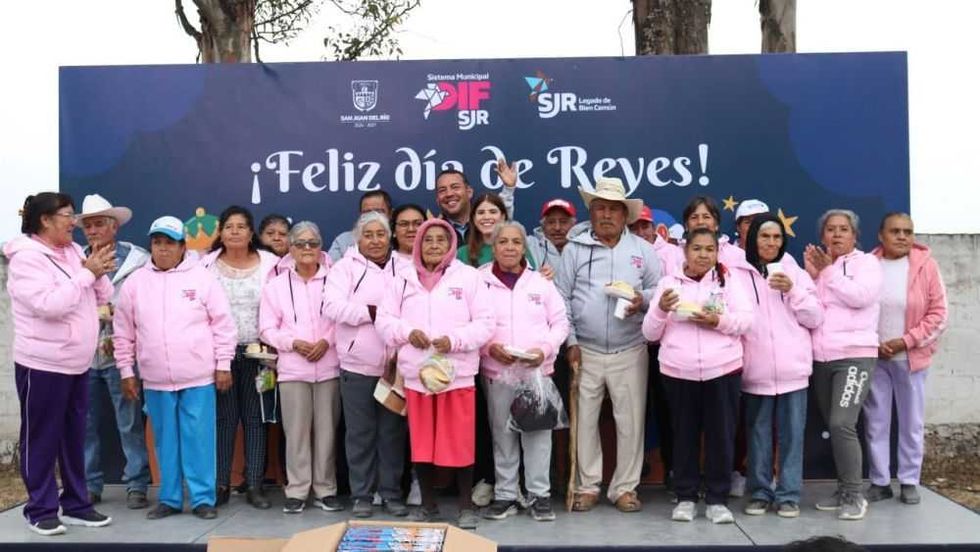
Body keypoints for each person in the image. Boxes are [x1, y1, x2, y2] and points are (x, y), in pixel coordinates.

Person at [5, 193, 114, 535]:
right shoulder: (27, 259)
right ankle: (39, 508)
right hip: (42, 364)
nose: (75, 222)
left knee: (73, 437)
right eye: (68, 215)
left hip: (76, 363)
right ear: (45, 221)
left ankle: (77, 505)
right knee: (41, 437)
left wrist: (95, 269)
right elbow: (49, 305)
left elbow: (104, 296)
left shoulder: (71, 252)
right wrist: (85, 275)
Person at [113, 216, 236, 521]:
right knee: (165, 442)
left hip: (197, 376)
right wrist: (127, 371)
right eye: (157, 242)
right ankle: (168, 498)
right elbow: (123, 331)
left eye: (170, 243)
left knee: (199, 439)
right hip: (156, 379)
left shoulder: (203, 278)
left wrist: (223, 365)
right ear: (151, 246)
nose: (163, 249)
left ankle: (202, 499)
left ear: (183, 246)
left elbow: (223, 324)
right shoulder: (136, 282)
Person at [376, 219, 494, 530]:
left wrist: (453, 341)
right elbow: (384, 321)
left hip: (456, 374)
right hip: (418, 376)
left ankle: (465, 506)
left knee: (459, 442)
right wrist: (406, 332)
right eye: (428, 240)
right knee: (422, 443)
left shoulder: (468, 277)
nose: (434, 246)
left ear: (452, 245)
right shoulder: (401, 280)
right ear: (417, 245)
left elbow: (485, 323)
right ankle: (428, 505)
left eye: (442, 240)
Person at [556, 177, 661, 514]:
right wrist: (570, 341)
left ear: (624, 215)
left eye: (613, 209)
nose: (606, 215)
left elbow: (659, 294)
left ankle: (625, 488)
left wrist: (639, 301)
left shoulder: (643, 251)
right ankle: (587, 487)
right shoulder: (575, 249)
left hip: (630, 347)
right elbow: (561, 298)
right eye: (599, 208)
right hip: (584, 348)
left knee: (630, 422)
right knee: (584, 420)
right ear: (591, 211)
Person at [642, 227, 753, 524]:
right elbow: (649, 333)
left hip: (722, 369)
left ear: (717, 252)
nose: (703, 255)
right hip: (678, 372)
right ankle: (686, 497)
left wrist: (718, 320)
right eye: (697, 249)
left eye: (709, 249)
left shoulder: (729, 280)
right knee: (683, 437)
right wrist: (661, 310)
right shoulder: (668, 283)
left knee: (721, 436)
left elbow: (745, 320)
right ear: (685, 251)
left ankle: (717, 500)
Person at [479, 221, 569, 523]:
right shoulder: (479, 281)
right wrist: (489, 347)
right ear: (494, 246)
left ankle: (538, 495)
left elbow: (560, 323)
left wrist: (543, 350)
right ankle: (506, 494)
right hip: (497, 369)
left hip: (535, 371)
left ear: (523, 248)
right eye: (503, 242)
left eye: (516, 242)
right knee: (502, 433)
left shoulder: (540, 283)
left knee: (537, 435)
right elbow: (471, 320)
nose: (509, 247)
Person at [734, 214, 822, 519]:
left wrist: (792, 291)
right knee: (757, 435)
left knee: (792, 436)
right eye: (764, 236)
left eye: (776, 237)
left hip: (792, 370)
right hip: (755, 370)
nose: (771, 243)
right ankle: (759, 492)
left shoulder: (794, 272)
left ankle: (788, 495)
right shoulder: (736, 274)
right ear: (752, 238)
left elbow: (814, 317)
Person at [324, 212, 408, 518]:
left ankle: (390, 493)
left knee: (392, 433)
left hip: (396, 367)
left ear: (390, 237)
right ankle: (362, 494)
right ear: (358, 239)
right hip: (357, 364)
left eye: (381, 234)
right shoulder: (345, 268)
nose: (375, 240)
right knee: (360, 433)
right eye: (368, 235)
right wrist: (372, 312)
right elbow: (331, 306)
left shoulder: (406, 266)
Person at [260, 221, 344, 514]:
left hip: (330, 365)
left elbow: (341, 320)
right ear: (291, 249)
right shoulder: (275, 286)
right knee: (296, 433)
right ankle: (296, 490)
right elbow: (267, 329)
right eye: (301, 244)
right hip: (293, 368)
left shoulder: (336, 279)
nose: (307, 249)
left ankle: (326, 489)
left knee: (327, 432)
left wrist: (326, 341)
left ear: (321, 248)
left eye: (313, 243)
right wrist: (292, 342)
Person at [804, 209, 883, 521]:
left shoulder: (868, 263)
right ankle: (843, 488)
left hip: (855, 355)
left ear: (855, 235)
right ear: (823, 235)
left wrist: (826, 273)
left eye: (843, 229)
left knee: (841, 423)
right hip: (822, 357)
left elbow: (860, 297)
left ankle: (854, 494)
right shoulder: (819, 265)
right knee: (834, 426)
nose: (836, 234)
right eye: (831, 229)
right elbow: (812, 309)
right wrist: (810, 277)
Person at [864, 212, 947, 506]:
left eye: (908, 232)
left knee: (911, 422)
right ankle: (880, 481)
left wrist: (905, 341)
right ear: (880, 235)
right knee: (876, 422)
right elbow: (854, 308)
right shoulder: (867, 265)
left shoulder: (927, 266)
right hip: (875, 357)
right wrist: (875, 343)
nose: (902, 237)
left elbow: (939, 314)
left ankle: (909, 480)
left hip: (911, 358)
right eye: (895, 231)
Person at [201, 205, 281, 509]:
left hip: (259, 355)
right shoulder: (204, 267)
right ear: (220, 232)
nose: (235, 231)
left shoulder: (272, 264)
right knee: (223, 420)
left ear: (251, 233)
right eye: (229, 226)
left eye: (241, 226)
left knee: (256, 420)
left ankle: (255, 484)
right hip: (219, 356)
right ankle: (221, 483)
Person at [76, 194, 151, 510]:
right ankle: (89, 484)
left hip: (123, 355)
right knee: (84, 424)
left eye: (98, 224)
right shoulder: (71, 260)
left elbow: (150, 303)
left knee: (129, 422)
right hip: (81, 354)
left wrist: (114, 310)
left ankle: (137, 484)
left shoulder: (138, 260)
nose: (92, 231)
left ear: (114, 226)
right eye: (88, 226)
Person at [435, 159, 516, 244]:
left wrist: (508, 189)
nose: (449, 194)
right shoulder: (435, 230)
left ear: (469, 192)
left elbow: (502, 214)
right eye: (442, 190)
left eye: (455, 187)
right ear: (437, 199)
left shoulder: (486, 223)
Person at [458, 193, 537, 269]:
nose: (486, 217)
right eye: (481, 213)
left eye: (493, 212)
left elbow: (531, 278)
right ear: (474, 219)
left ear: (503, 217)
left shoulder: (517, 248)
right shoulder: (462, 253)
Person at [680, 195, 745, 268]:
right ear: (686, 226)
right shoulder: (672, 255)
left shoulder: (737, 255)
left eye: (706, 217)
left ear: (716, 224)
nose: (700, 222)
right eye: (694, 217)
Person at [328, 190, 392, 262]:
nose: (373, 216)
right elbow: (332, 269)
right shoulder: (344, 241)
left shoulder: (399, 238)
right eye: (367, 212)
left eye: (378, 211)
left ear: (390, 214)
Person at [526, 198, 577, 269]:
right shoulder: (529, 245)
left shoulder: (583, 249)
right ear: (543, 226)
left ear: (573, 225)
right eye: (551, 222)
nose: (557, 228)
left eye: (563, 222)